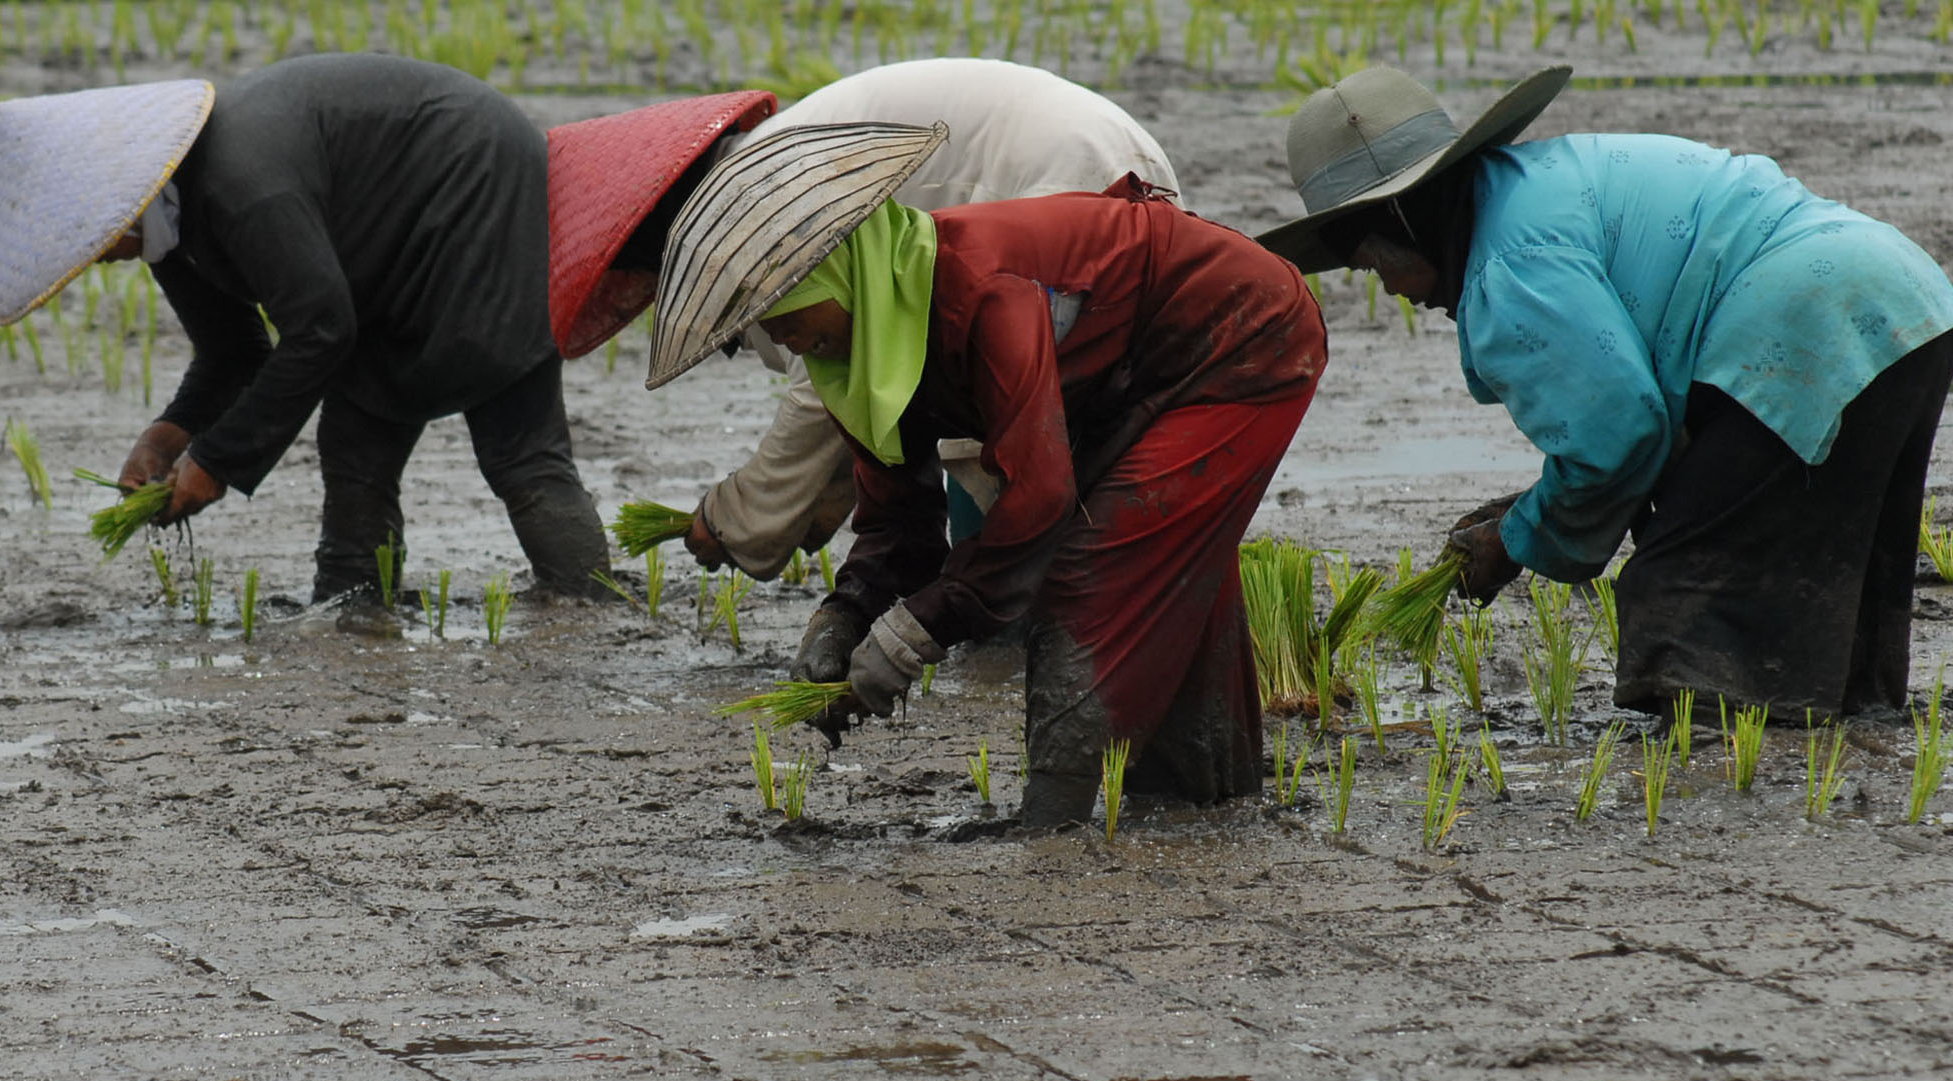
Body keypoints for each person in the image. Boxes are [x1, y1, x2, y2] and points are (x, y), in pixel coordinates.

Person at [646, 124, 1327, 827]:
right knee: (1166, 569)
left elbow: (1038, 497)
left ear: (834, 271)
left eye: (782, 313)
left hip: (1239, 337)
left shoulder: (975, 285)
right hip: (1125, 380)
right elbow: (899, 520)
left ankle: (1051, 818)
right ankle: (1207, 798)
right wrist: (844, 618)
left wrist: (915, 632)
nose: (779, 338)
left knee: (1087, 569)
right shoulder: (852, 358)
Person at [1260, 65, 1953, 718]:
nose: (1394, 292)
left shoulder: (1508, 268)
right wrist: (1536, 504)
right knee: (1834, 554)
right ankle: (1853, 711)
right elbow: (1641, 426)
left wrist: (1516, 539)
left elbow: (1620, 435)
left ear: (1404, 221)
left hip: (1806, 318)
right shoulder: (1534, 185)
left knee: (1687, 595)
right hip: (1902, 301)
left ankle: (1728, 757)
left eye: (1375, 265)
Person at [0, 54, 609, 603]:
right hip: (385, 255)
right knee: (355, 441)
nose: (93, 258)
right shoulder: (170, 222)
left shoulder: (240, 187)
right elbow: (234, 352)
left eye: (88, 243)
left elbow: (322, 329)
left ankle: (586, 609)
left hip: (478, 194)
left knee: (518, 445)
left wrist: (218, 462)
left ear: (115, 207)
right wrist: (167, 439)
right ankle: (355, 606)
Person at [544, 60, 1181, 581]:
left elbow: (821, 384)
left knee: (999, 422)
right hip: (1108, 158)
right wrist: (827, 501)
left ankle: (1017, 610)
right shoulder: (761, 163)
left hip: (1061, 180)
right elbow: (870, 378)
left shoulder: (751, 198)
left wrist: (741, 519)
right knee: (1065, 420)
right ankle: (1049, 598)